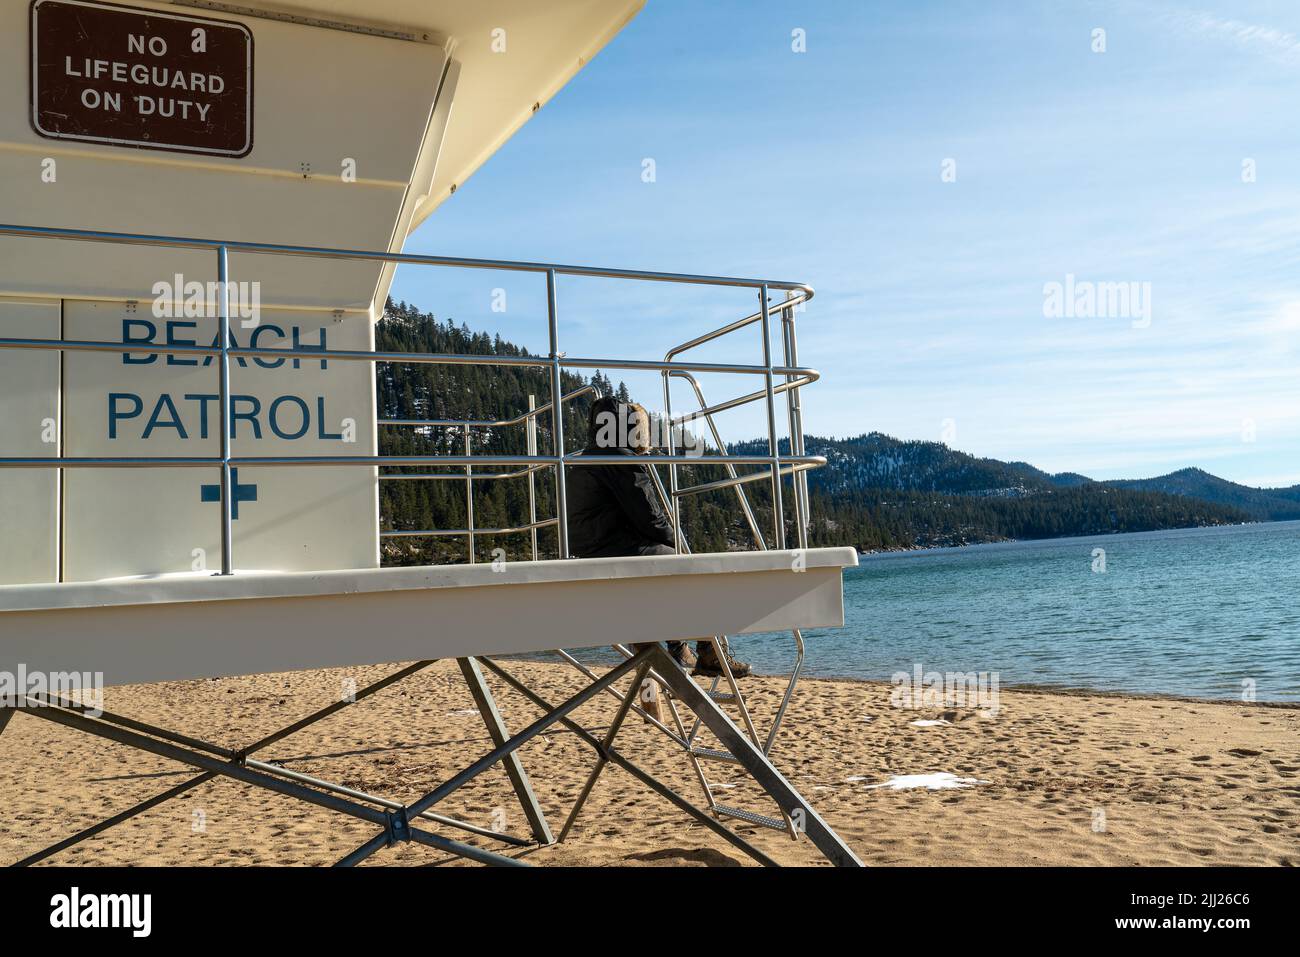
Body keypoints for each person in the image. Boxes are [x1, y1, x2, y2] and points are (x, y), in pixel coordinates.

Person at [566, 394, 752, 678]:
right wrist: (676, 542)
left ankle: (681, 648)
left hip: (591, 553)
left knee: (670, 573)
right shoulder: (619, 458)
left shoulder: (582, 459)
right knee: (696, 570)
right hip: (620, 552)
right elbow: (649, 516)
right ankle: (708, 652)